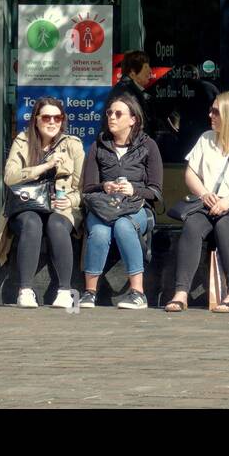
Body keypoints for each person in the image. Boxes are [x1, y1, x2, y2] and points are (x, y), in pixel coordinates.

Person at [165, 91, 229, 314]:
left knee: (225, 225)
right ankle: (181, 292)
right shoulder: (206, 138)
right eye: (211, 110)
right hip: (211, 202)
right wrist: (204, 194)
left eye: (216, 112)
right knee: (192, 225)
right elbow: (191, 174)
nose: (210, 115)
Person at [0, 96, 85, 309]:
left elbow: (83, 189)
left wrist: (69, 201)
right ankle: (24, 291)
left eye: (57, 117)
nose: (52, 122)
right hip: (27, 205)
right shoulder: (23, 141)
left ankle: (64, 291)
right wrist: (44, 167)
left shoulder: (73, 145)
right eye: (46, 117)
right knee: (31, 223)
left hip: (61, 206)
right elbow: (10, 177)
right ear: (36, 119)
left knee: (56, 223)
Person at [79, 93, 163, 309]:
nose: (112, 117)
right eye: (109, 113)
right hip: (104, 207)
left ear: (133, 119)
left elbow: (155, 191)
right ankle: (89, 292)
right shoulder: (99, 146)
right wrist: (104, 186)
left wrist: (134, 189)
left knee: (124, 226)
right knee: (99, 231)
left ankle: (138, 293)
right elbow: (88, 188)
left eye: (118, 113)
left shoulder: (148, 146)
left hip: (137, 207)